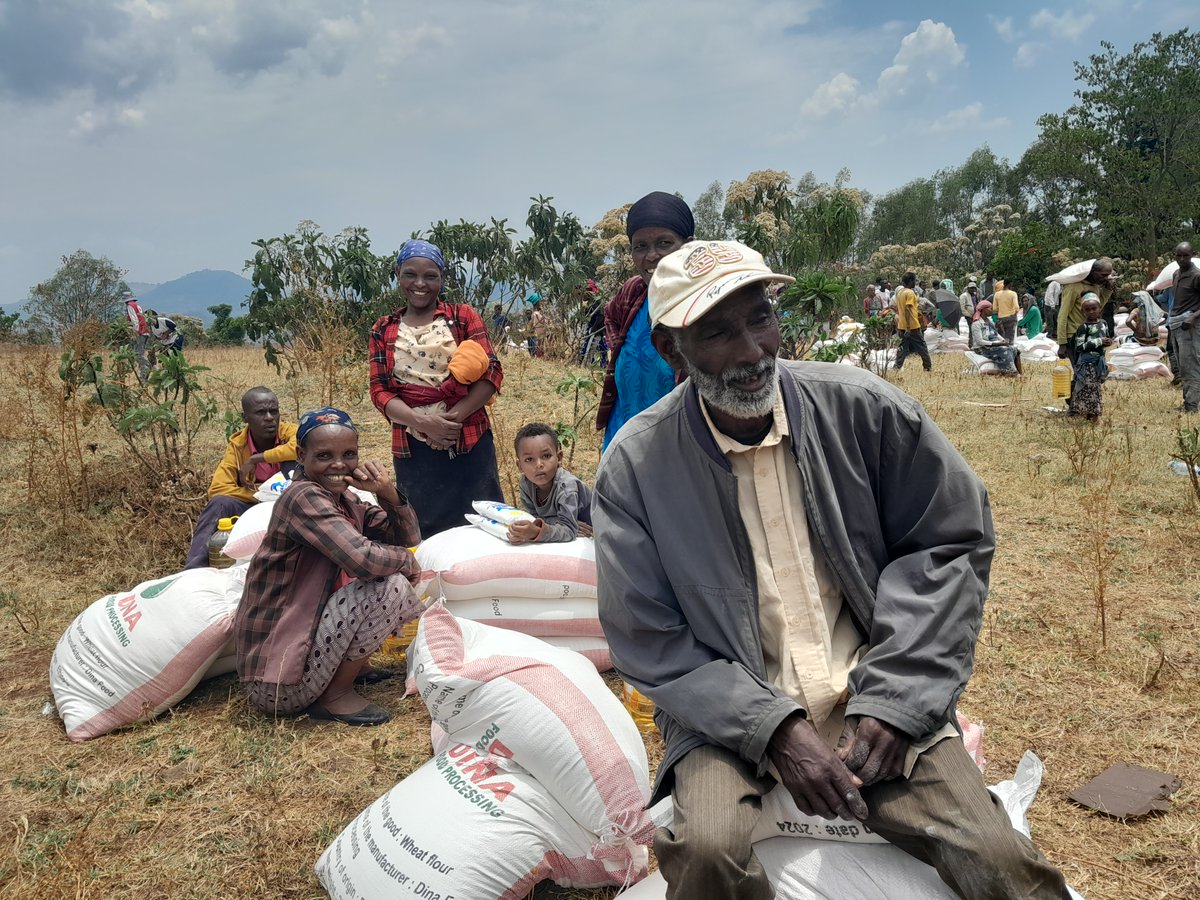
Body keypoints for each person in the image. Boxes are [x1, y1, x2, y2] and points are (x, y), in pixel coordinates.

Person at [594, 239, 1070, 900]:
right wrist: (774, 728)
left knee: (999, 859)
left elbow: (948, 544)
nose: (753, 350)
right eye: (718, 333)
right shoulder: (637, 466)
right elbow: (646, 635)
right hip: (728, 720)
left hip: (872, 692)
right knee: (704, 854)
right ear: (673, 350)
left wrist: (896, 699)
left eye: (760, 319)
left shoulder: (865, 410)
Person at [234, 408, 423, 727]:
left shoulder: (343, 497)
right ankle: (334, 695)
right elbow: (362, 559)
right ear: (301, 456)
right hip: (277, 684)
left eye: (348, 454)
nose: (339, 465)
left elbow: (405, 536)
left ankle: (347, 672)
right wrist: (407, 562)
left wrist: (386, 492)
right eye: (324, 455)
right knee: (388, 586)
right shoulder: (304, 497)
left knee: (387, 579)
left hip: (293, 664)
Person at [369, 239, 505, 537]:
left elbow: (492, 370)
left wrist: (451, 419)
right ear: (398, 275)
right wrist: (424, 423)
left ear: (442, 279)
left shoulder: (462, 317)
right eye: (410, 274)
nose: (420, 283)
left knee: (484, 525)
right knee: (426, 530)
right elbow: (379, 391)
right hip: (414, 449)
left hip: (469, 441)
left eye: (430, 276)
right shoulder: (383, 329)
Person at [596, 191, 694, 450]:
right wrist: (620, 347)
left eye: (664, 243)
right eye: (640, 246)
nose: (651, 256)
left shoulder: (702, 301)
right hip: (621, 436)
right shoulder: (634, 291)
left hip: (676, 447)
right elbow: (610, 315)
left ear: (688, 245)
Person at [184, 387, 297, 569]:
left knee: (293, 465)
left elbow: (299, 447)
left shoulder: (290, 433)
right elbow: (218, 489)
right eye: (261, 412)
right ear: (245, 418)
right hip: (254, 503)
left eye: (273, 411)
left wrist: (258, 458)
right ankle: (193, 571)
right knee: (220, 504)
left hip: (293, 501)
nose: (269, 418)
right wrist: (262, 496)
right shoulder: (238, 446)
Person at [508, 422, 593, 544]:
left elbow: (569, 530)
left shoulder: (566, 487)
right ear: (519, 465)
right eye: (529, 459)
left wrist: (537, 532)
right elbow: (535, 518)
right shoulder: (526, 484)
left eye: (546, 456)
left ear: (559, 457)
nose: (539, 464)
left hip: (590, 535)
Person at [1056, 258, 1117, 414]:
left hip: (1092, 336)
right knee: (1082, 373)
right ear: (1093, 273)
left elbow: (1096, 307)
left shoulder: (1095, 287)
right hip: (1074, 338)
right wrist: (1062, 342)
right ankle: (1075, 407)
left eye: (1108, 275)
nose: (1106, 278)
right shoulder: (1074, 287)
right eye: (1104, 275)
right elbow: (1063, 315)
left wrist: (1107, 290)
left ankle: (1078, 406)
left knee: (1089, 373)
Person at [1067, 295, 1113, 420]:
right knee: (1088, 388)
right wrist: (1098, 341)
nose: (1091, 311)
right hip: (1087, 363)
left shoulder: (1103, 324)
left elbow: (1107, 337)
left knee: (1095, 387)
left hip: (1099, 362)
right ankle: (1091, 413)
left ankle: (1090, 412)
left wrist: (1108, 342)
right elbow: (1079, 346)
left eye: (1094, 308)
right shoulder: (1083, 328)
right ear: (1083, 311)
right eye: (1088, 309)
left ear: (1099, 308)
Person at [1169, 242, 1200, 412]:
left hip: (1190, 325)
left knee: (1190, 366)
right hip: (1176, 323)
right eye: (1178, 255)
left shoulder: (1197, 275)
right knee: (1182, 366)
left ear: (1192, 255)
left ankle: (1191, 405)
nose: (1182, 259)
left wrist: (1194, 317)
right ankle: (1190, 401)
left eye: (1185, 255)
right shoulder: (1176, 274)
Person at [893, 272, 932, 371]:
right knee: (922, 347)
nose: (915, 282)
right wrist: (909, 328)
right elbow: (907, 310)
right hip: (912, 326)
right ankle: (927, 367)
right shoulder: (910, 293)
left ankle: (896, 368)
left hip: (901, 325)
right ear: (910, 281)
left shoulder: (900, 293)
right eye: (914, 280)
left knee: (902, 348)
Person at [969, 300, 1020, 376]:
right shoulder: (976, 324)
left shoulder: (989, 322)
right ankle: (1011, 372)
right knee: (1005, 351)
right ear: (984, 310)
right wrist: (997, 344)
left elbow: (996, 334)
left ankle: (1020, 372)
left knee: (1015, 350)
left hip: (992, 346)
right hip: (982, 348)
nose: (992, 310)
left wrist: (1003, 340)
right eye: (990, 308)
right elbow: (980, 342)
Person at [123, 290, 152, 380]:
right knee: (139, 353)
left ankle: (146, 368)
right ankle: (144, 375)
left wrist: (134, 333)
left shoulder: (130, 306)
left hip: (140, 332)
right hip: (145, 331)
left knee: (138, 354)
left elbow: (135, 321)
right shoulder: (137, 305)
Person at [992, 280, 1020, 344]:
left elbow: (994, 308)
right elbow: (1016, 307)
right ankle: (1010, 350)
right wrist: (1014, 314)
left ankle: (1002, 351)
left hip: (1001, 319)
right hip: (1011, 319)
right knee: (1010, 338)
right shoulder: (1013, 294)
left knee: (1002, 338)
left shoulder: (997, 294)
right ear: (1010, 284)